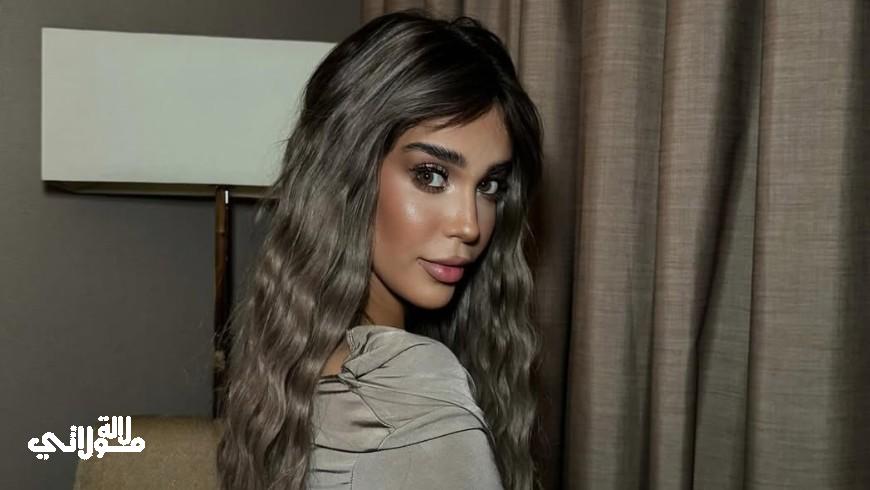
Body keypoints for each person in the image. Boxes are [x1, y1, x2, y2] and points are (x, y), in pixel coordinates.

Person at [217, 9, 543, 490]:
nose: (470, 225)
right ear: (346, 174)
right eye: (431, 175)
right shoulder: (415, 390)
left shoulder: (294, 375)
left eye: (489, 185)